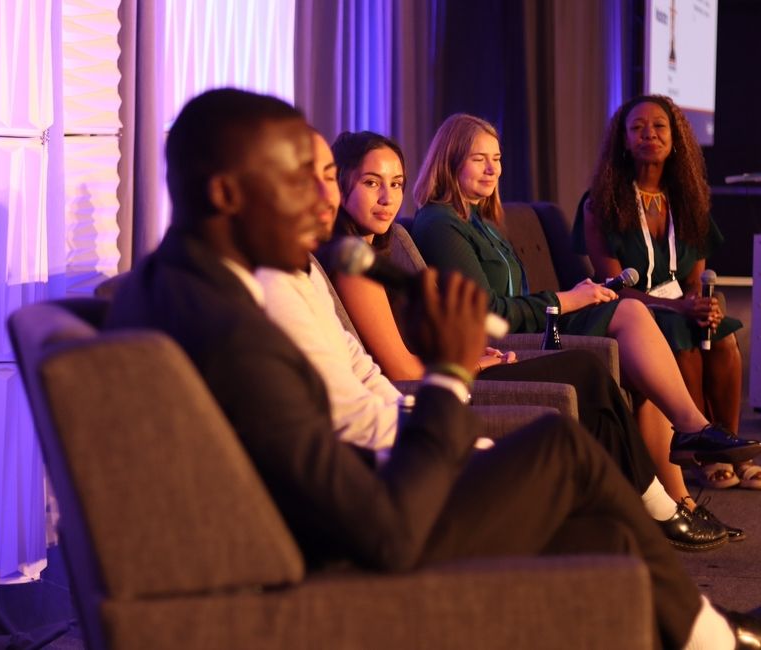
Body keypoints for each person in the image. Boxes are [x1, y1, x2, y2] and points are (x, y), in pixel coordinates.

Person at [104, 87, 760, 648]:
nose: (321, 202)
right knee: (559, 450)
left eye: (328, 177)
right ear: (225, 193)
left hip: (347, 510)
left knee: (603, 535)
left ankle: (703, 633)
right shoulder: (232, 328)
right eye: (296, 181)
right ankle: (712, 635)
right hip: (343, 560)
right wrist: (445, 376)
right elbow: (381, 529)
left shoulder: (182, 285)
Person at [265, 129, 728, 550]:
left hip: (451, 373)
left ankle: (654, 504)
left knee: (588, 369)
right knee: (586, 370)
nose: (388, 198)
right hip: (436, 391)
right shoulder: (351, 266)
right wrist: (465, 363)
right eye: (370, 183)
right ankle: (657, 507)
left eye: (396, 182)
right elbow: (399, 371)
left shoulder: (375, 250)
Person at [408, 113, 759, 512]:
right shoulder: (439, 222)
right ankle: (692, 433)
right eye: (478, 158)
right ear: (450, 160)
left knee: (641, 350)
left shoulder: (479, 219)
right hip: (499, 343)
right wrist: (564, 300)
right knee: (630, 314)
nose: (493, 169)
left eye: (498, 158)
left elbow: (513, 295)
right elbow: (487, 312)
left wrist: (575, 295)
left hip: (532, 322)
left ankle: (682, 499)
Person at [576, 94, 749, 490]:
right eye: (636, 128)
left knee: (723, 337)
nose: (648, 134)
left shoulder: (690, 200)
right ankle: (698, 452)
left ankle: (727, 447)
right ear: (622, 140)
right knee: (679, 336)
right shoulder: (599, 203)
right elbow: (612, 286)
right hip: (633, 308)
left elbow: (697, 279)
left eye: (658, 126)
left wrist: (705, 306)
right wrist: (677, 307)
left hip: (681, 304)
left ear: (676, 139)